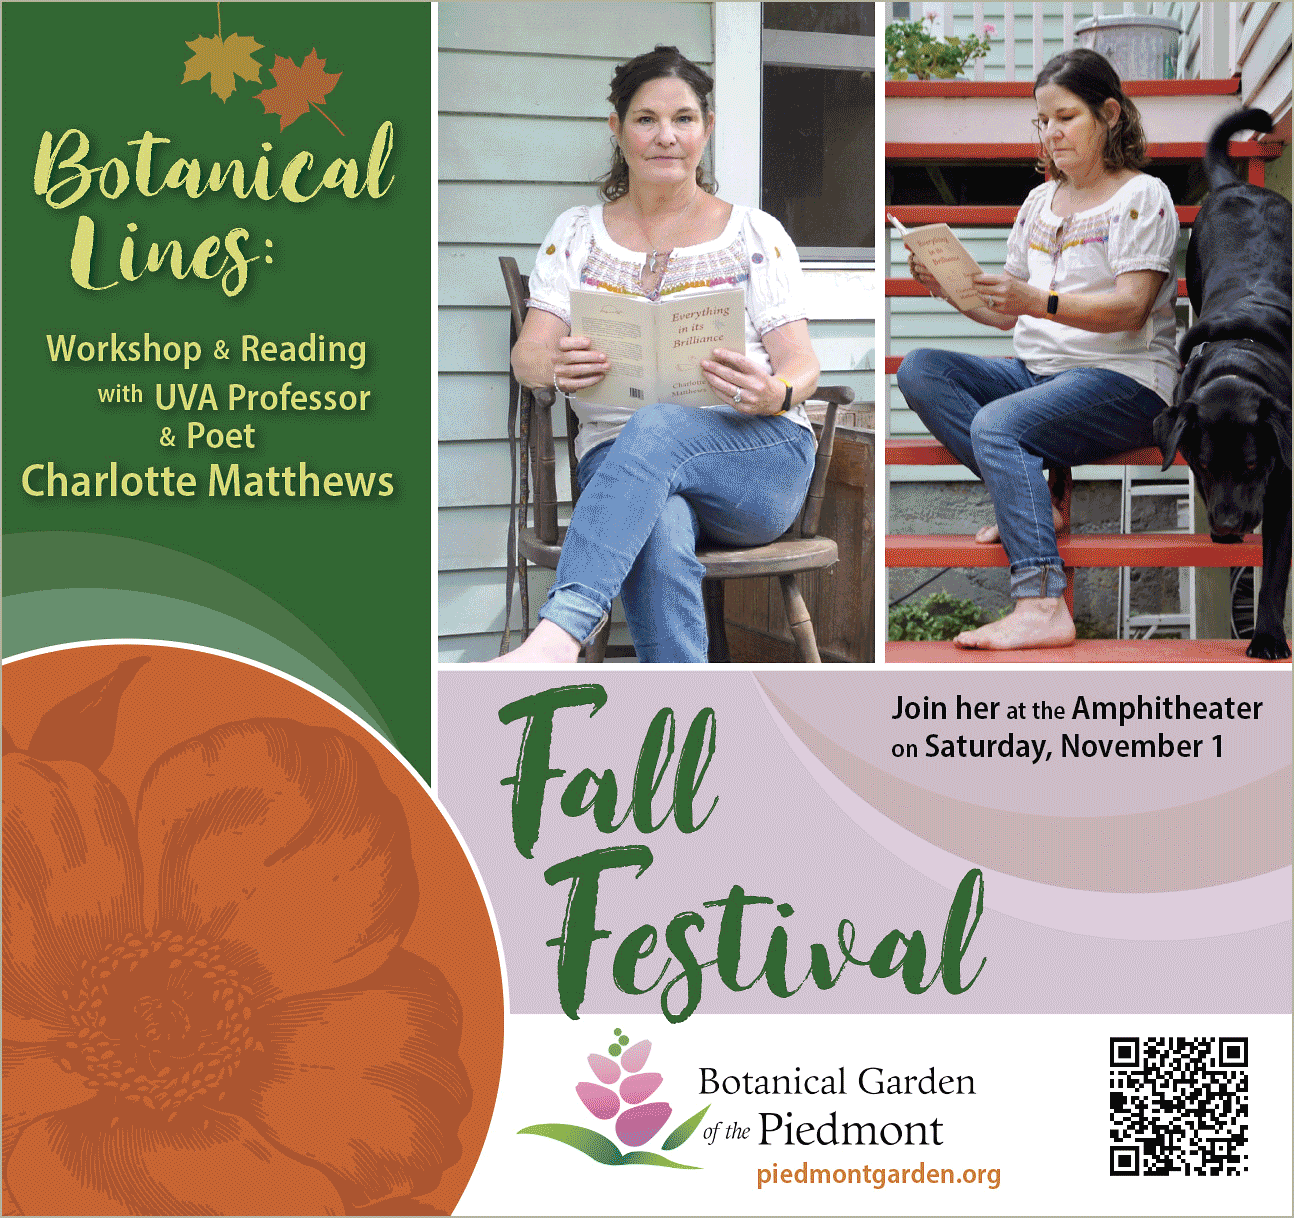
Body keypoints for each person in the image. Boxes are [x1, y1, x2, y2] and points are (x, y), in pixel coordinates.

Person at [492, 45, 820, 664]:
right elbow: (528, 357)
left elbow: (802, 365)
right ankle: (685, 730)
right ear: (616, 130)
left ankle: (559, 636)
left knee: (659, 426)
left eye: (684, 119)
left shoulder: (754, 233)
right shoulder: (577, 235)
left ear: (707, 128)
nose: (665, 137)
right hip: (621, 466)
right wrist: (553, 366)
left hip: (755, 460)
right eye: (645, 120)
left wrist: (773, 392)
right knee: (658, 529)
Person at [898, 48, 1179, 650]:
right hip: (1040, 373)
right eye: (1042, 121)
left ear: (1109, 114)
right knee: (922, 368)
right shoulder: (1037, 204)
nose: (1051, 134)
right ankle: (1033, 503)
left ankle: (1042, 602)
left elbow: (1131, 309)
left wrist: (1036, 300)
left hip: (1125, 378)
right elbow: (1006, 314)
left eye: (1066, 117)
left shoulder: (1144, 196)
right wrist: (946, 289)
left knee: (998, 425)